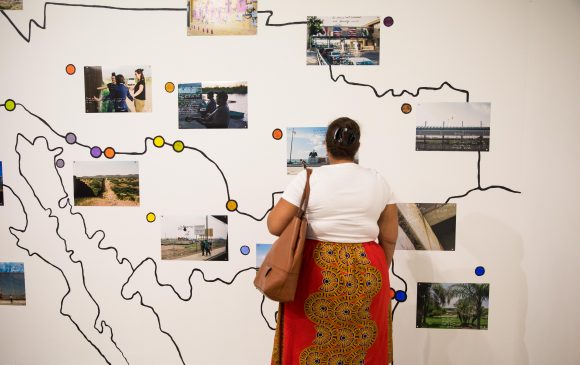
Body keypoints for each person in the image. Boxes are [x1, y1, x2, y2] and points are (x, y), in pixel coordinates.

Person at [267, 117, 398, 365]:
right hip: (368, 267)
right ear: (357, 147)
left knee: (310, 337)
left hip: (316, 268)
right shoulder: (379, 181)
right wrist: (381, 265)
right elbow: (390, 237)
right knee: (363, 343)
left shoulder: (308, 179)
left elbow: (275, 226)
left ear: (326, 147)